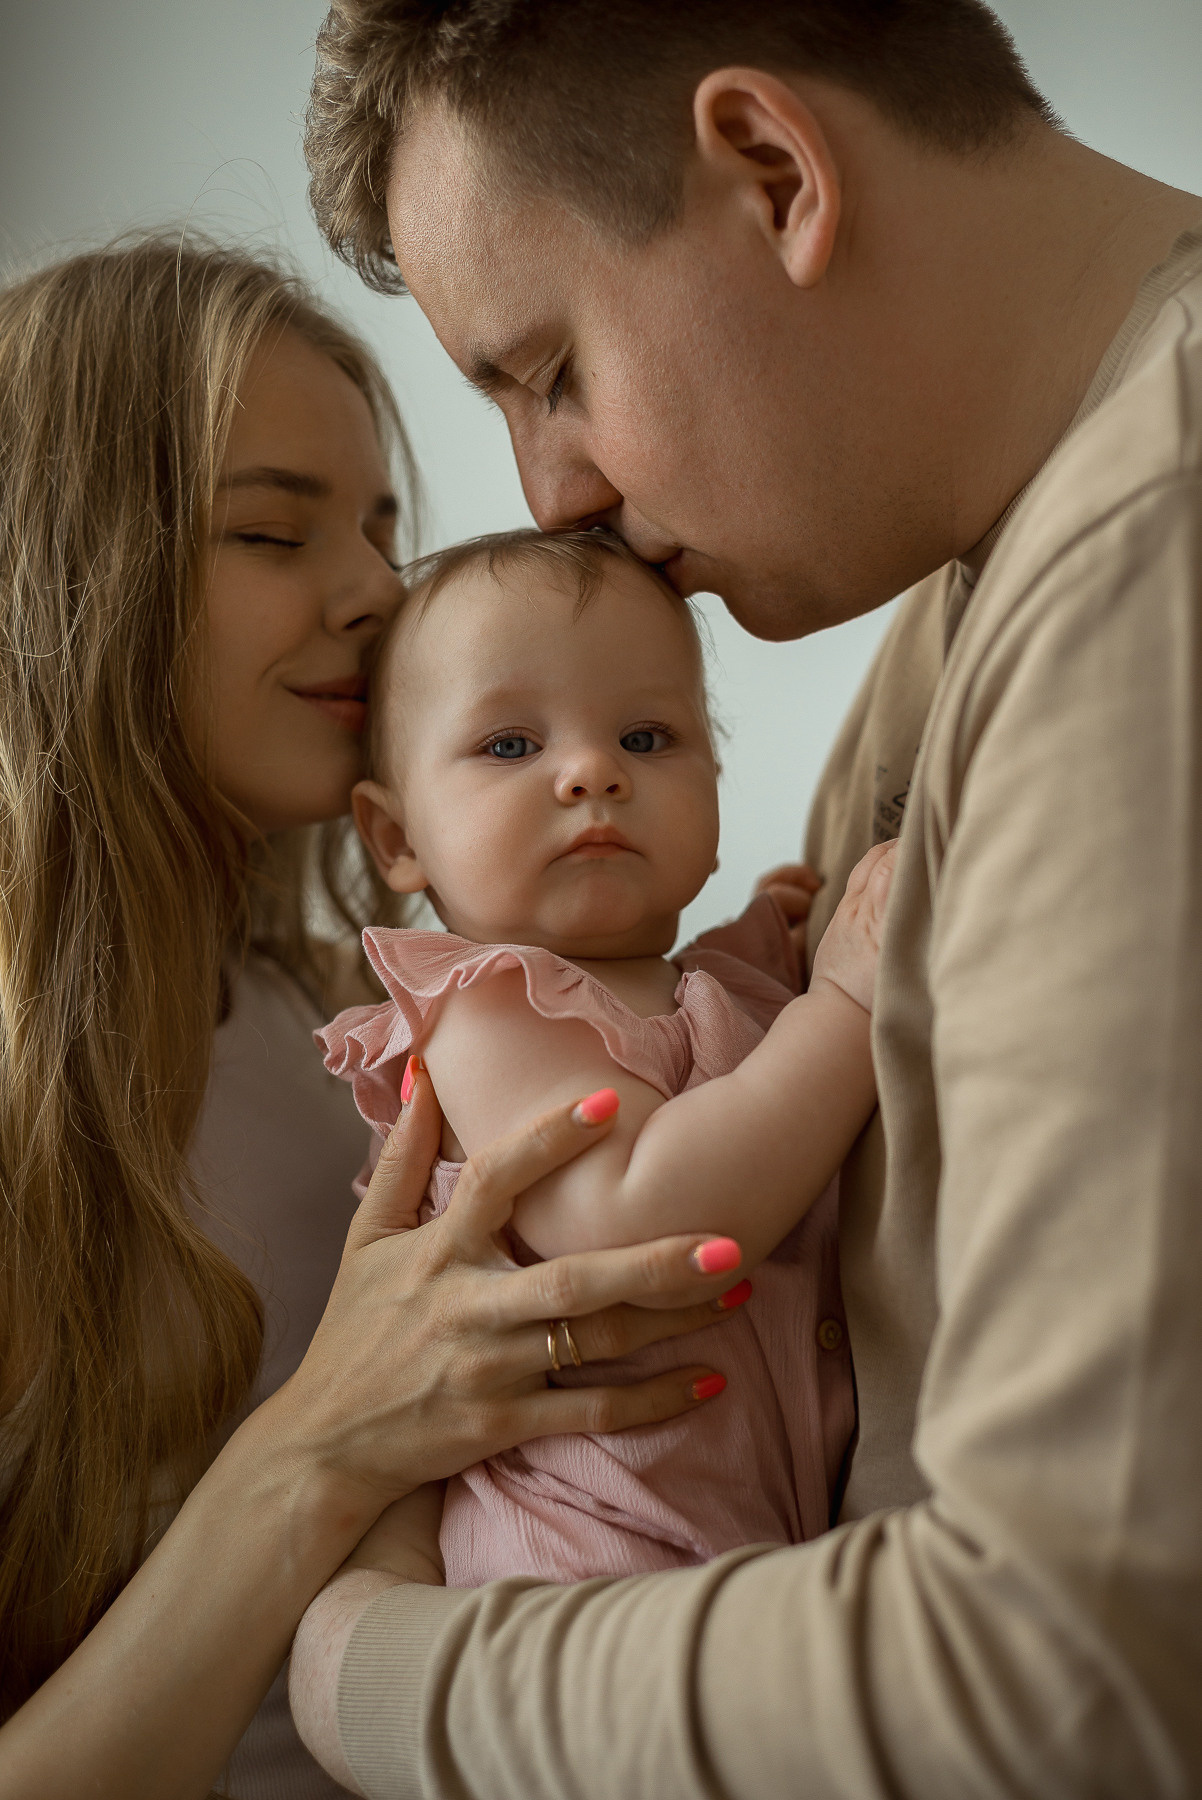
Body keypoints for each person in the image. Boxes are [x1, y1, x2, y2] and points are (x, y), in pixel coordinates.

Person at [290, 1, 1202, 1795]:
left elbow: (1058, 1680)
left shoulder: (1141, 588)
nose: (553, 494)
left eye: (546, 368)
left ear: (772, 172)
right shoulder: (984, 582)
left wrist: (364, 1662)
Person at [0, 235, 746, 1800]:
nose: (370, 590)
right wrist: (324, 1443)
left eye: (379, 525)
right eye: (273, 532)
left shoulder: (337, 1015)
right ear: (65, 571)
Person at [316, 524, 894, 1587]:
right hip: (577, 1567)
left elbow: (686, 1037)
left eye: (644, 738)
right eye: (508, 746)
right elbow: (645, 1214)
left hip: (746, 1544)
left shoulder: (714, 983)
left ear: (712, 792)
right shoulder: (481, 1010)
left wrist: (768, 941)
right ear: (395, 839)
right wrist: (845, 1004)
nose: (590, 773)